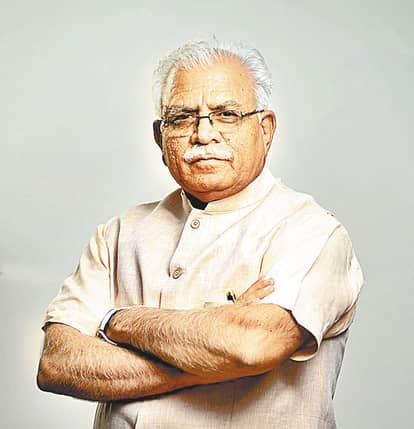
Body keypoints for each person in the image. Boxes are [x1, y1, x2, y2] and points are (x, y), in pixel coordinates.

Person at [37, 39, 364, 429]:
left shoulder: (310, 232)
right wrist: (211, 355)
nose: (204, 134)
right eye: (182, 118)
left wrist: (117, 321)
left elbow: (251, 345)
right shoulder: (119, 234)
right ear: (160, 137)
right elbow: (56, 363)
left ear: (265, 129)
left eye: (226, 114)